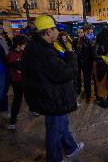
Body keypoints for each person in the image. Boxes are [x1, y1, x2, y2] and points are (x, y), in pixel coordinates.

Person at [22, 15, 84, 161]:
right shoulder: (43, 51)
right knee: (55, 130)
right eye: (56, 29)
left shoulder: (35, 46)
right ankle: (54, 158)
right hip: (52, 98)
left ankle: (70, 147)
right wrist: (71, 55)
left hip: (47, 95)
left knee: (61, 124)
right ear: (49, 31)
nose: (58, 32)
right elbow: (65, 73)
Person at [7, 35, 29, 130]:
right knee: (17, 100)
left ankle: (33, 110)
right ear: (18, 44)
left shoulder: (22, 53)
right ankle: (13, 121)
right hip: (17, 81)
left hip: (25, 79)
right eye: (24, 44)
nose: (25, 46)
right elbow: (19, 70)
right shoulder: (11, 55)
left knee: (29, 95)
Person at [92, 28, 108, 108]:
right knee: (100, 83)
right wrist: (105, 56)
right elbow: (95, 55)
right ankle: (101, 99)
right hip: (99, 65)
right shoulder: (98, 43)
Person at [77, 25, 95, 103]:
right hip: (78, 63)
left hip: (87, 63)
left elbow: (91, 53)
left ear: (84, 33)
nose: (80, 34)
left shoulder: (88, 41)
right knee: (78, 78)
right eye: (78, 32)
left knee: (87, 80)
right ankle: (79, 90)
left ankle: (88, 96)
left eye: (81, 32)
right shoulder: (75, 41)